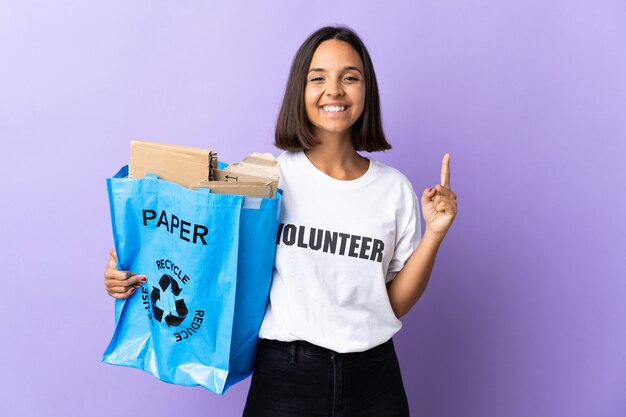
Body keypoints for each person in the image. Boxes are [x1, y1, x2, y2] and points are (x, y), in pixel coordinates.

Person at [104, 25, 457, 417]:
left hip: (374, 378)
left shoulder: (394, 190)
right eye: (318, 78)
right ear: (299, 92)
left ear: (366, 91)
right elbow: (204, 253)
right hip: (286, 377)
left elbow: (392, 302)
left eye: (350, 78)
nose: (335, 90)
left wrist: (434, 235)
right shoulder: (265, 180)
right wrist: (134, 265)